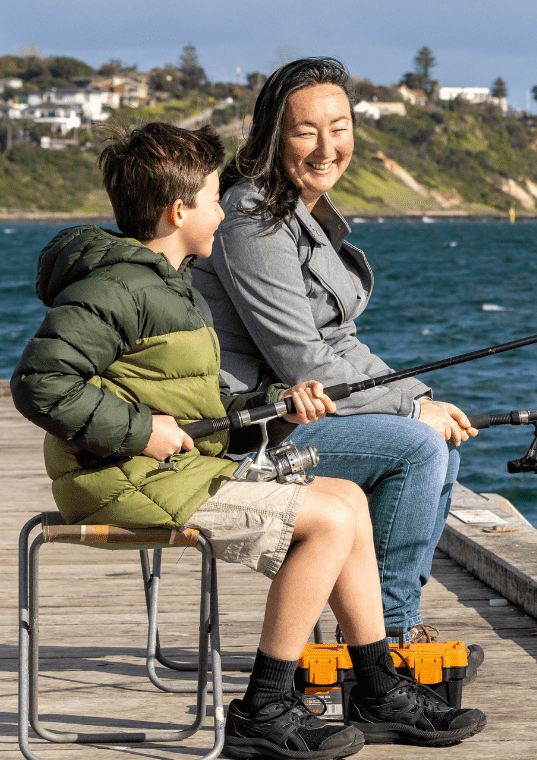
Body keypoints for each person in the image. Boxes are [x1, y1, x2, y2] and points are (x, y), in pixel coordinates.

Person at [11, 122, 485, 759]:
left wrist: (276, 407)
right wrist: (140, 431)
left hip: (171, 476)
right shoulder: (117, 288)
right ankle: (264, 707)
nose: (222, 213)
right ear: (180, 211)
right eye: (213, 199)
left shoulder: (168, 287)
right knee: (327, 521)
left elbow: (198, 403)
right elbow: (39, 383)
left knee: (344, 500)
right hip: (124, 482)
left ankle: (377, 689)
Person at [193, 58, 478, 646]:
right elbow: (301, 358)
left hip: (300, 412)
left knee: (438, 443)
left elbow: (339, 341)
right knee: (418, 449)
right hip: (253, 426)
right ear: (274, 136)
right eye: (306, 131)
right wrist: (406, 413)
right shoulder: (250, 217)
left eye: (340, 126)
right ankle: (389, 638)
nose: (328, 147)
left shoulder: (301, 210)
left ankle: (377, 624)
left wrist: (420, 398)